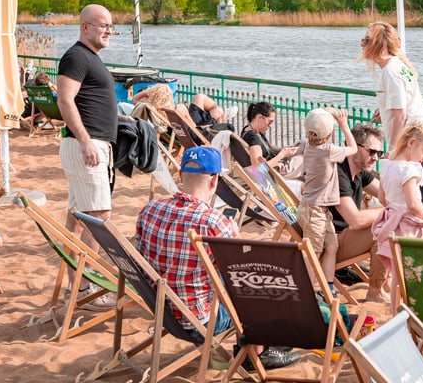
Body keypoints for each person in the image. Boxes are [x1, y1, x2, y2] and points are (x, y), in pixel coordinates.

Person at [135, 146, 300, 370]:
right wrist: (236, 234)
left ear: (181, 175)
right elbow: (243, 275)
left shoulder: (150, 208)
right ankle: (258, 354)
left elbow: (140, 254)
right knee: (259, 284)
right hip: (197, 321)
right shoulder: (213, 222)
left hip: (161, 308)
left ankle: (266, 343)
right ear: (215, 181)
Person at [57, 4, 122, 310]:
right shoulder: (76, 56)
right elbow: (66, 100)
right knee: (98, 218)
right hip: (87, 147)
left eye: (111, 26)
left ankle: (79, 285)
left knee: (79, 221)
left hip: (93, 146)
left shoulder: (88, 58)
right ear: (85, 27)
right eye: (103, 25)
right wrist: (86, 141)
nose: (109, 30)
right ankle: (86, 287)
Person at [358, 21, 423, 235]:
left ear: (378, 46)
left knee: (419, 193)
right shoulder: (395, 66)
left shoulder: (391, 71)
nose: (362, 45)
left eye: (365, 41)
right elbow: (402, 104)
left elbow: (400, 114)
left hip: (414, 138)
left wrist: (392, 149)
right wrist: (385, 112)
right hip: (419, 133)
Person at [370, 121, 423, 311]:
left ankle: (395, 311)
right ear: (411, 143)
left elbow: (383, 199)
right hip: (407, 227)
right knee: (410, 273)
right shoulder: (409, 170)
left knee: (397, 275)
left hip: (391, 225)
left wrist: (395, 210)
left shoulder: (386, 166)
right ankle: (411, 310)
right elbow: (412, 203)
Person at [296, 108, 357, 297]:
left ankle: (328, 288)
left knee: (331, 246)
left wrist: (327, 115)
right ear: (330, 133)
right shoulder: (329, 151)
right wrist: (344, 125)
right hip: (315, 211)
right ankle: (305, 293)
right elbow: (354, 149)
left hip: (315, 209)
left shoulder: (308, 145)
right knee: (313, 254)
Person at [332, 123, 388, 302]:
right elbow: (355, 220)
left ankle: (384, 286)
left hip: (343, 238)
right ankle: (375, 292)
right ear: (354, 146)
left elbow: (386, 196)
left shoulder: (360, 171)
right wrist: (389, 211)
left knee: (390, 222)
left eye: (378, 153)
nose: (375, 158)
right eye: (371, 152)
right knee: (384, 229)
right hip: (329, 245)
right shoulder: (337, 173)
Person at [240, 101, 298, 169]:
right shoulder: (253, 138)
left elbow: (266, 146)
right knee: (301, 158)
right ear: (260, 117)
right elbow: (257, 168)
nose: (270, 125)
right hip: (274, 172)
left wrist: (284, 150)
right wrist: (282, 155)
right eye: (270, 122)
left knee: (302, 147)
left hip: (274, 167)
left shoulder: (248, 130)